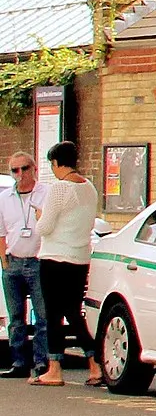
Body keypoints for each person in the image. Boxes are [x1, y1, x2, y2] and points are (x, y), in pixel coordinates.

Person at [31, 142, 100, 387]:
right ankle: (95, 364)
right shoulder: (89, 188)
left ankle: (54, 368)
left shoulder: (59, 188)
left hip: (55, 257)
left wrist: (39, 216)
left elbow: (45, 227)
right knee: (73, 312)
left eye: (53, 164)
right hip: (79, 257)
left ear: (57, 163)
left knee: (53, 315)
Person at [0, 153, 49, 380]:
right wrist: (4, 260)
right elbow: (1, 233)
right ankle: (19, 361)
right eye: (15, 170)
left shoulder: (45, 193)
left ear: (34, 168)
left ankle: (42, 362)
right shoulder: (5, 198)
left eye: (24, 168)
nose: (20, 174)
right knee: (16, 318)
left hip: (37, 260)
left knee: (42, 316)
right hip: (14, 259)